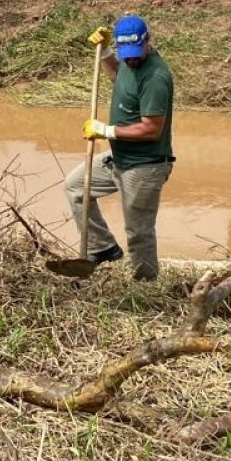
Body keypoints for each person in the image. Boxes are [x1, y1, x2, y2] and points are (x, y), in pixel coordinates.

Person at [64, 15, 175, 281]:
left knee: (138, 231)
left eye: (135, 53)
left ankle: (145, 285)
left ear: (148, 41)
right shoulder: (127, 61)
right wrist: (106, 53)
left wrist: (106, 130)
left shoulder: (156, 77)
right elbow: (118, 76)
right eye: (127, 54)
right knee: (76, 187)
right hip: (119, 157)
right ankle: (103, 248)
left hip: (145, 166)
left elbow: (151, 129)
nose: (131, 59)